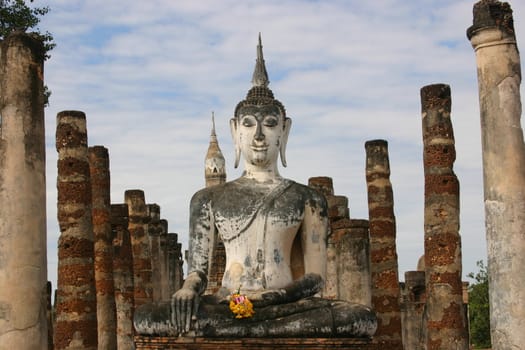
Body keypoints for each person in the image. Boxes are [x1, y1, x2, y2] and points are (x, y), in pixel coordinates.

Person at [134, 35, 377, 338]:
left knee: (359, 318)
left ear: (284, 132)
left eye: (270, 124)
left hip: (286, 306)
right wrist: (187, 289)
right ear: (235, 132)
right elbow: (198, 271)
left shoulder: (308, 198)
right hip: (225, 303)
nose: (259, 135)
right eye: (249, 124)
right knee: (147, 318)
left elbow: (315, 278)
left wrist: (272, 297)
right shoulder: (208, 199)